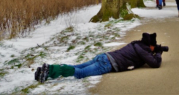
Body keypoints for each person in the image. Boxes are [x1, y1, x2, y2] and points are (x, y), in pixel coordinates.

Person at [34, 33, 168, 83]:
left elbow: (145, 54)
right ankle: (50, 71)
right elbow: (155, 64)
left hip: (104, 56)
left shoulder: (137, 44)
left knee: (77, 67)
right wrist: (159, 54)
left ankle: (49, 70)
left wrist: (155, 50)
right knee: (80, 73)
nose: (153, 48)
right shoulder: (144, 50)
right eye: (153, 46)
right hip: (107, 64)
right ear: (150, 45)